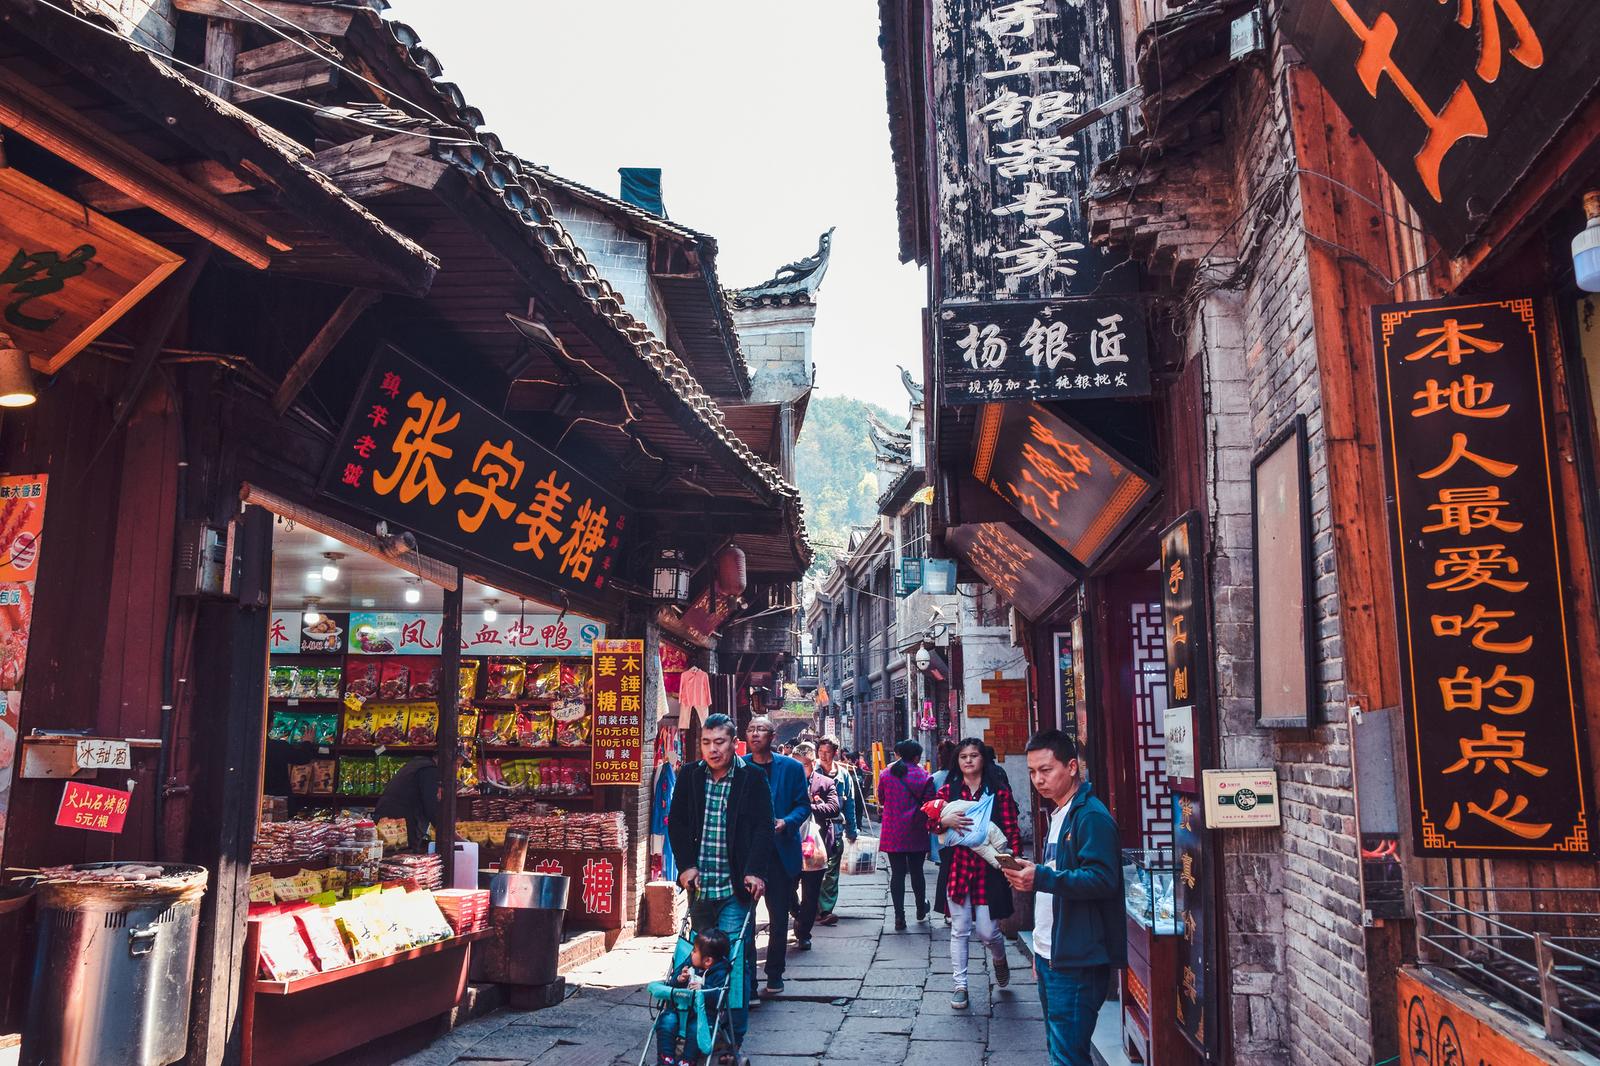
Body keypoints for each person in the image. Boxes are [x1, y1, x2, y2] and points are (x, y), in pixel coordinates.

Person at [1002, 730, 1126, 1066]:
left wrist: (1040, 876)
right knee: (1062, 1051)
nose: (1038, 780)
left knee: (1067, 1056)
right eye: (1032, 772)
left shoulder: (1090, 816)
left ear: (1072, 767)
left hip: (1077, 961)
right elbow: (1060, 878)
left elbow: (1102, 880)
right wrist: (1041, 946)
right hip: (1052, 953)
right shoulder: (1061, 812)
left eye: (1046, 770)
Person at [667, 713, 773, 1045]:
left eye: (720, 742)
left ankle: (733, 1034)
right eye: (706, 743)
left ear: (733, 743)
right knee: (699, 959)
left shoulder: (751, 777)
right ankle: (699, 1027)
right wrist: (685, 866)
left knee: (734, 961)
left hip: (734, 888)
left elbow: (763, 828)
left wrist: (755, 871)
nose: (713, 750)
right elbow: (678, 824)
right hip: (700, 888)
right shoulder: (689, 776)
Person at [931, 738, 1023, 1010]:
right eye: (963, 756)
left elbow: (1011, 828)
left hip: (989, 868)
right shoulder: (948, 791)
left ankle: (999, 956)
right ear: (957, 762)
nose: (968, 760)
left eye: (974, 755)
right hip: (958, 865)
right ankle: (960, 985)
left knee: (987, 931)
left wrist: (1013, 859)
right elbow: (930, 821)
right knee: (959, 929)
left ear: (983, 759)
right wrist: (943, 821)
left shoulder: (998, 793)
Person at [743, 715, 809, 996]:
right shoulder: (740, 767)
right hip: (747, 854)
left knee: (779, 916)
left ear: (773, 736)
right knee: (743, 919)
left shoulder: (792, 768)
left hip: (781, 851)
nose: (756, 734)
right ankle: (747, 980)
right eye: (751, 729)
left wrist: (787, 822)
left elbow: (802, 805)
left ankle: (774, 974)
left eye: (762, 730)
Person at [877, 739, 933, 931]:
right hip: (916, 830)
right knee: (917, 872)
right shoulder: (924, 776)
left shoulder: (886, 773)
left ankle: (899, 916)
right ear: (916, 757)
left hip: (893, 831)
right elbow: (929, 804)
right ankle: (919, 908)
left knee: (897, 874)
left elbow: (881, 798)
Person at [655, 928, 731, 1066]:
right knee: (666, 1021)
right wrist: (679, 979)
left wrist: (703, 990)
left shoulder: (719, 973)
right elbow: (671, 984)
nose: (691, 953)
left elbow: (720, 997)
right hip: (678, 1010)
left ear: (708, 961)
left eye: (695, 951)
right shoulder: (689, 965)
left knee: (696, 1028)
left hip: (703, 1016)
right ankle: (666, 1058)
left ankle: (688, 1060)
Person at [789, 742, 839, 949]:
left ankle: (803, 933)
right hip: (789, 845)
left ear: (812, 764)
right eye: (796, 764)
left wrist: (809, 806)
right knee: (786, 888)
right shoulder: (786, 782)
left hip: (815, 848)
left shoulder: (825, 783)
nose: (800, 769)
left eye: (805, 765)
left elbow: (834, 807)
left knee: (811, 894)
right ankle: (796, 912)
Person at [814, 735, 858, 926]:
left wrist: (852, 829)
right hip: (812, 829)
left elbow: (850, 804)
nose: (823, 756)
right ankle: (811, 907)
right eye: (821, 752)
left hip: (835, 828)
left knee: (831, 870)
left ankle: (825, 910)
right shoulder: (810, 771)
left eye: (828, 752)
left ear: (835, 753)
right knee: (813, 870)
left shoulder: (844, 775)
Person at [373, 754, 440, 853]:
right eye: (457, 763)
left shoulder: (416, 765)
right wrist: (450, 834)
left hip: (389, 825)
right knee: (400, 861)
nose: (457, 769)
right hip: (403, 829)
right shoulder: (429, 770)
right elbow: (432, 808)